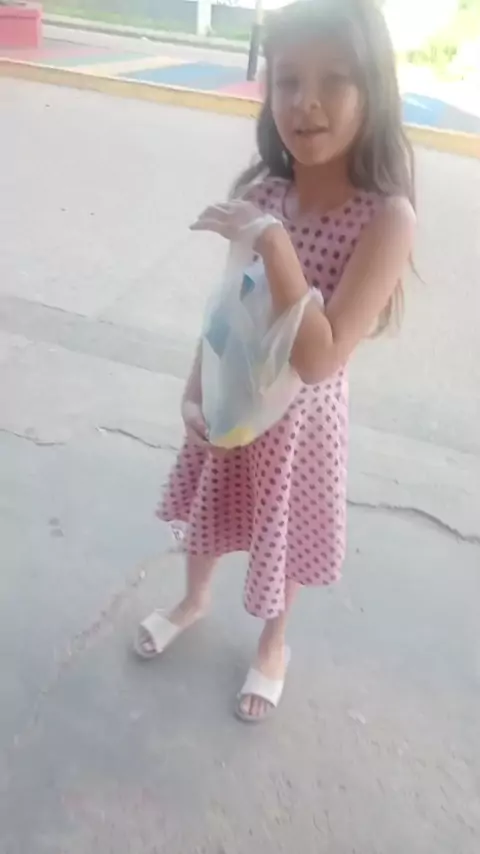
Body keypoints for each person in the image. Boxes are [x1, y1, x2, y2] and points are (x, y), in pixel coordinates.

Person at [135, 0, 416, 723]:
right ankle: (194, 599)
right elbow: (225, 311)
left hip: (300, 427)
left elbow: (320, 358)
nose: (305, 102)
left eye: (334, 80)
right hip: (234, 394)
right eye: (288, 80)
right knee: (212, 505)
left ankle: (273, 644)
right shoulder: (263, 194)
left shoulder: (386, 219)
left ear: (375, 91)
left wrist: (274, 242)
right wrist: (194, 389)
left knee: (279, 533)